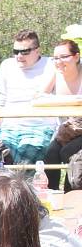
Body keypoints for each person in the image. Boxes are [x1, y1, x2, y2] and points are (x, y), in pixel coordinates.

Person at [0, 29, 56, 164]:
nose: (19, 56)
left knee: (26, 164)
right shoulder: (7, 65)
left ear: (37, 50)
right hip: (9, 126)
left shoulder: (52, 65)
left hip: (40, 127)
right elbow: (3, 101)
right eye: (15, 51)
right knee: (1, 162)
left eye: (24, 51)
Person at [42, 39, 82, 190]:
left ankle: (71, 195)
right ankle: (50, 196)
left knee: (69, 153)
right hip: (66, 130)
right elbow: (38, 96)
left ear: (76, 57)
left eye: (64, 57)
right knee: (51, 154)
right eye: (55, 58)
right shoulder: (55, 74)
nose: (59, 62)